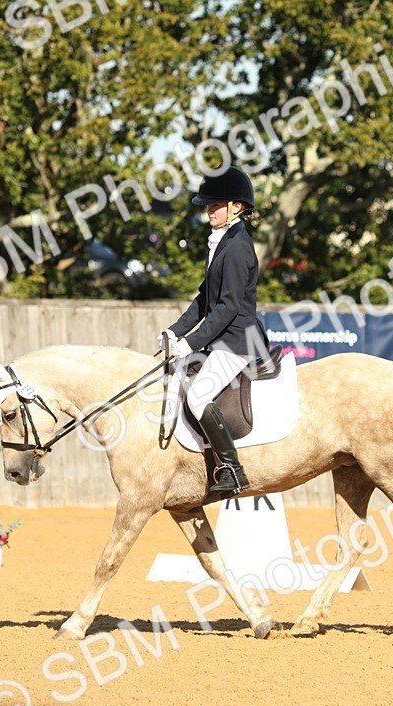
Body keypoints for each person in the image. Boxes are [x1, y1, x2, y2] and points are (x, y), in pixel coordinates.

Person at [158, 165, 269, 498]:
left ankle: (232, 470)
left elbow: (228, 307)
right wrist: (174, 332)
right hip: (223, 337)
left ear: (236, 207)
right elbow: (205, 297)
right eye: (207, 205)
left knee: (197, 395)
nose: (208, 210)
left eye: (215, 205)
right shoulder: (223, 241)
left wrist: (191, 341)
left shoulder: (237, 248)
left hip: (238, 341)